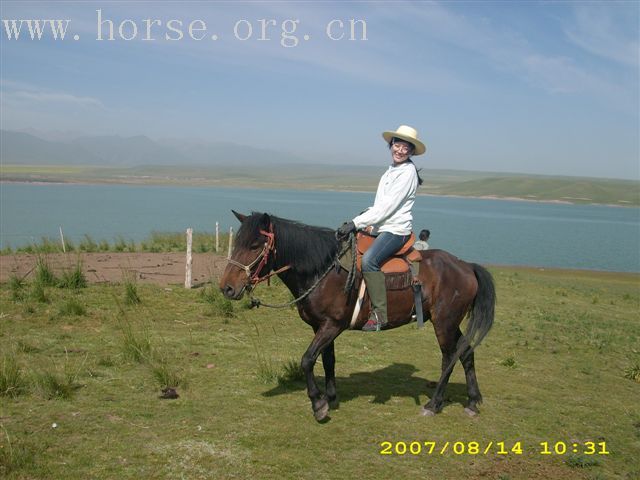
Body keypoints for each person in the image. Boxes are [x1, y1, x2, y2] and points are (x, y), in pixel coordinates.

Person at [336, 125, 426, 331]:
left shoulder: (407, 173)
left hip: (396, 230)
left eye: (406, 147)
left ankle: (380, 314)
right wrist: (360, 218)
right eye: (397, 144)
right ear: (391, 145)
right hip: (380, 226)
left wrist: (355, 223)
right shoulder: (391, 170)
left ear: (411, 151)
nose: (400, 150)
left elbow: (387, 208)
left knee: (369, 260)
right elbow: (379, 205)